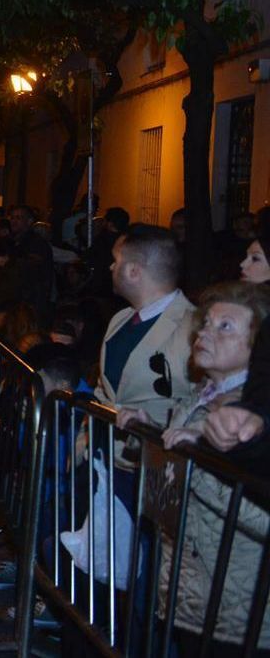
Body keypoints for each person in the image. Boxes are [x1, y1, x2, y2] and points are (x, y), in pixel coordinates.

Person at [116, 282, 270, 654]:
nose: (205, 333)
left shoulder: (252, 423)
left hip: (238, 607)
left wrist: (198, 459)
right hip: (190, 593)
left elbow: (258, 515)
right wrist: (146, 435)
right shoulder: (197, 398)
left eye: (226, 327)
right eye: (206, 324)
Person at [97, 224, 195, 425]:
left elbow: (203, 404)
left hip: (151, 452)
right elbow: (104, 391)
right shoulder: (119, 320)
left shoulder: (195, 327)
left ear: (134, 271)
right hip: (101, 450)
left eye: (116, 260)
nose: (111, 267)